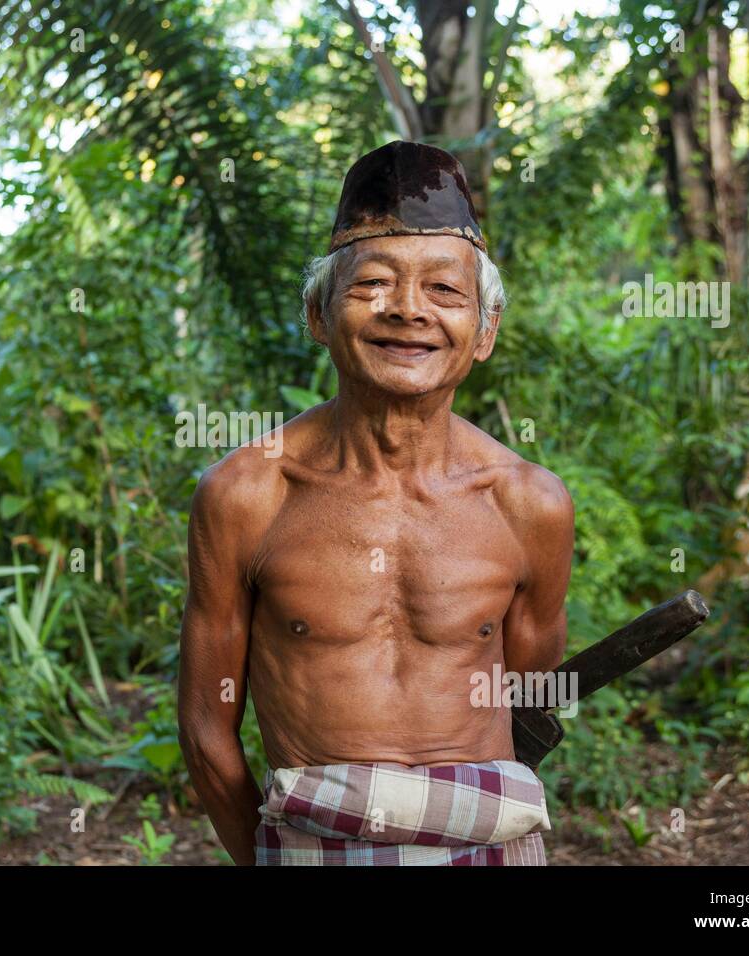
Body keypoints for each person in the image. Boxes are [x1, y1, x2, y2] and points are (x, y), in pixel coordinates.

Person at [177, 141, 574, 866]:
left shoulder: (529, 504)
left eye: (445, 290)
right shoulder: (246, 495)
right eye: (373, 284)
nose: (408, 310)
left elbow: (530, 699)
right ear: (318, 314)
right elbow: (207, 726)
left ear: (484, 330)